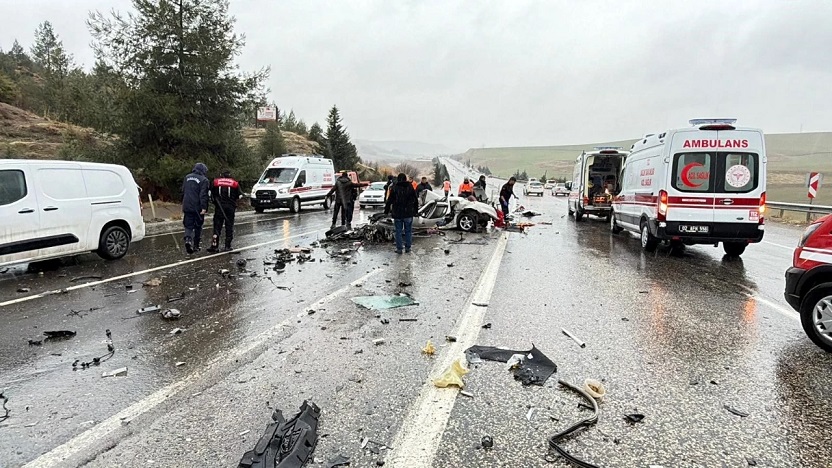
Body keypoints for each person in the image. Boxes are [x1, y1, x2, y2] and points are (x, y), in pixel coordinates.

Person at [384, 173, 419, 254]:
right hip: (408, 213)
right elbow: (415, 200)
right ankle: (408, 248)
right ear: (405, 179)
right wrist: (415, 211)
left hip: (397, 213)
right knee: (408, 231)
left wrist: (386, 211)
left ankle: (399, 249)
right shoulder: (410, 187)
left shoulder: (395, 187)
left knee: (398, 231)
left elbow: (389, 201)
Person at [207, 170, 241, 253]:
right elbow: (239, 196)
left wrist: (215, 201)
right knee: (229, 226)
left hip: (219, 207)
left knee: (217, 226)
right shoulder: (234, 183)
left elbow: (210, 194)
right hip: (230, 207)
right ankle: (227, 245)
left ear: (221, 175)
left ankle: (214, 245)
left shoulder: (215, 182)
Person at [182, 163, 209, 254]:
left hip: (187, 205)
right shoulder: (204, 180)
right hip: (197, 207)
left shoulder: (187, 177)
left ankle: (188, 240)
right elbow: (203, 195)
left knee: (188, 225)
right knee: (198, 226)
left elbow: (183, 190)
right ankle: (196, 245)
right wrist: (204, 207)